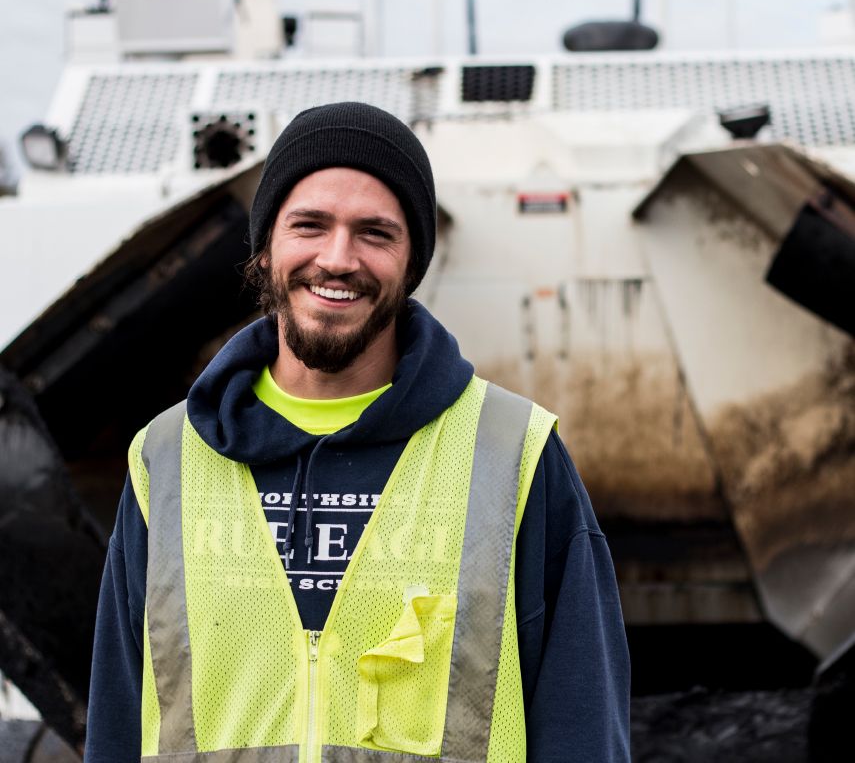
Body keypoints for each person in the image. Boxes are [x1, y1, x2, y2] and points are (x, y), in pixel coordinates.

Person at [84, 102, 630, 763]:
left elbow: (583, 727)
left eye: (375, 233)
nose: (337, 259)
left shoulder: (514, 455)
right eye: (309, 224)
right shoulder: (166, 459)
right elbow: (117, 719)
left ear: (411, 262)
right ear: (264, 248)